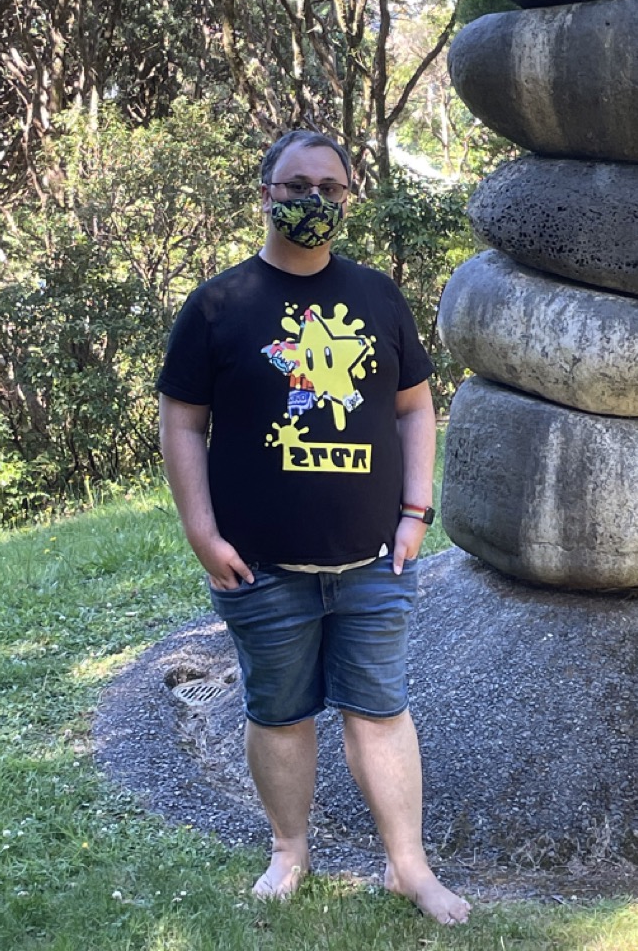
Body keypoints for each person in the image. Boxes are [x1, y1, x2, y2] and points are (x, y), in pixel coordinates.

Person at [157, 129, 470, 925]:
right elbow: (182, 422)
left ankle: (408, 868)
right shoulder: (219, 304)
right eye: (297, 186)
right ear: (266, 193)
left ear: (349, 198)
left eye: (330, 188)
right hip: (259, 568)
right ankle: (288, 851)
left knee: (381, 712)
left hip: (372, 562)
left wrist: (416, 511)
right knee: (279, 714)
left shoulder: (377, 297)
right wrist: (201, 532)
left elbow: (415, 409)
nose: (313, 201)